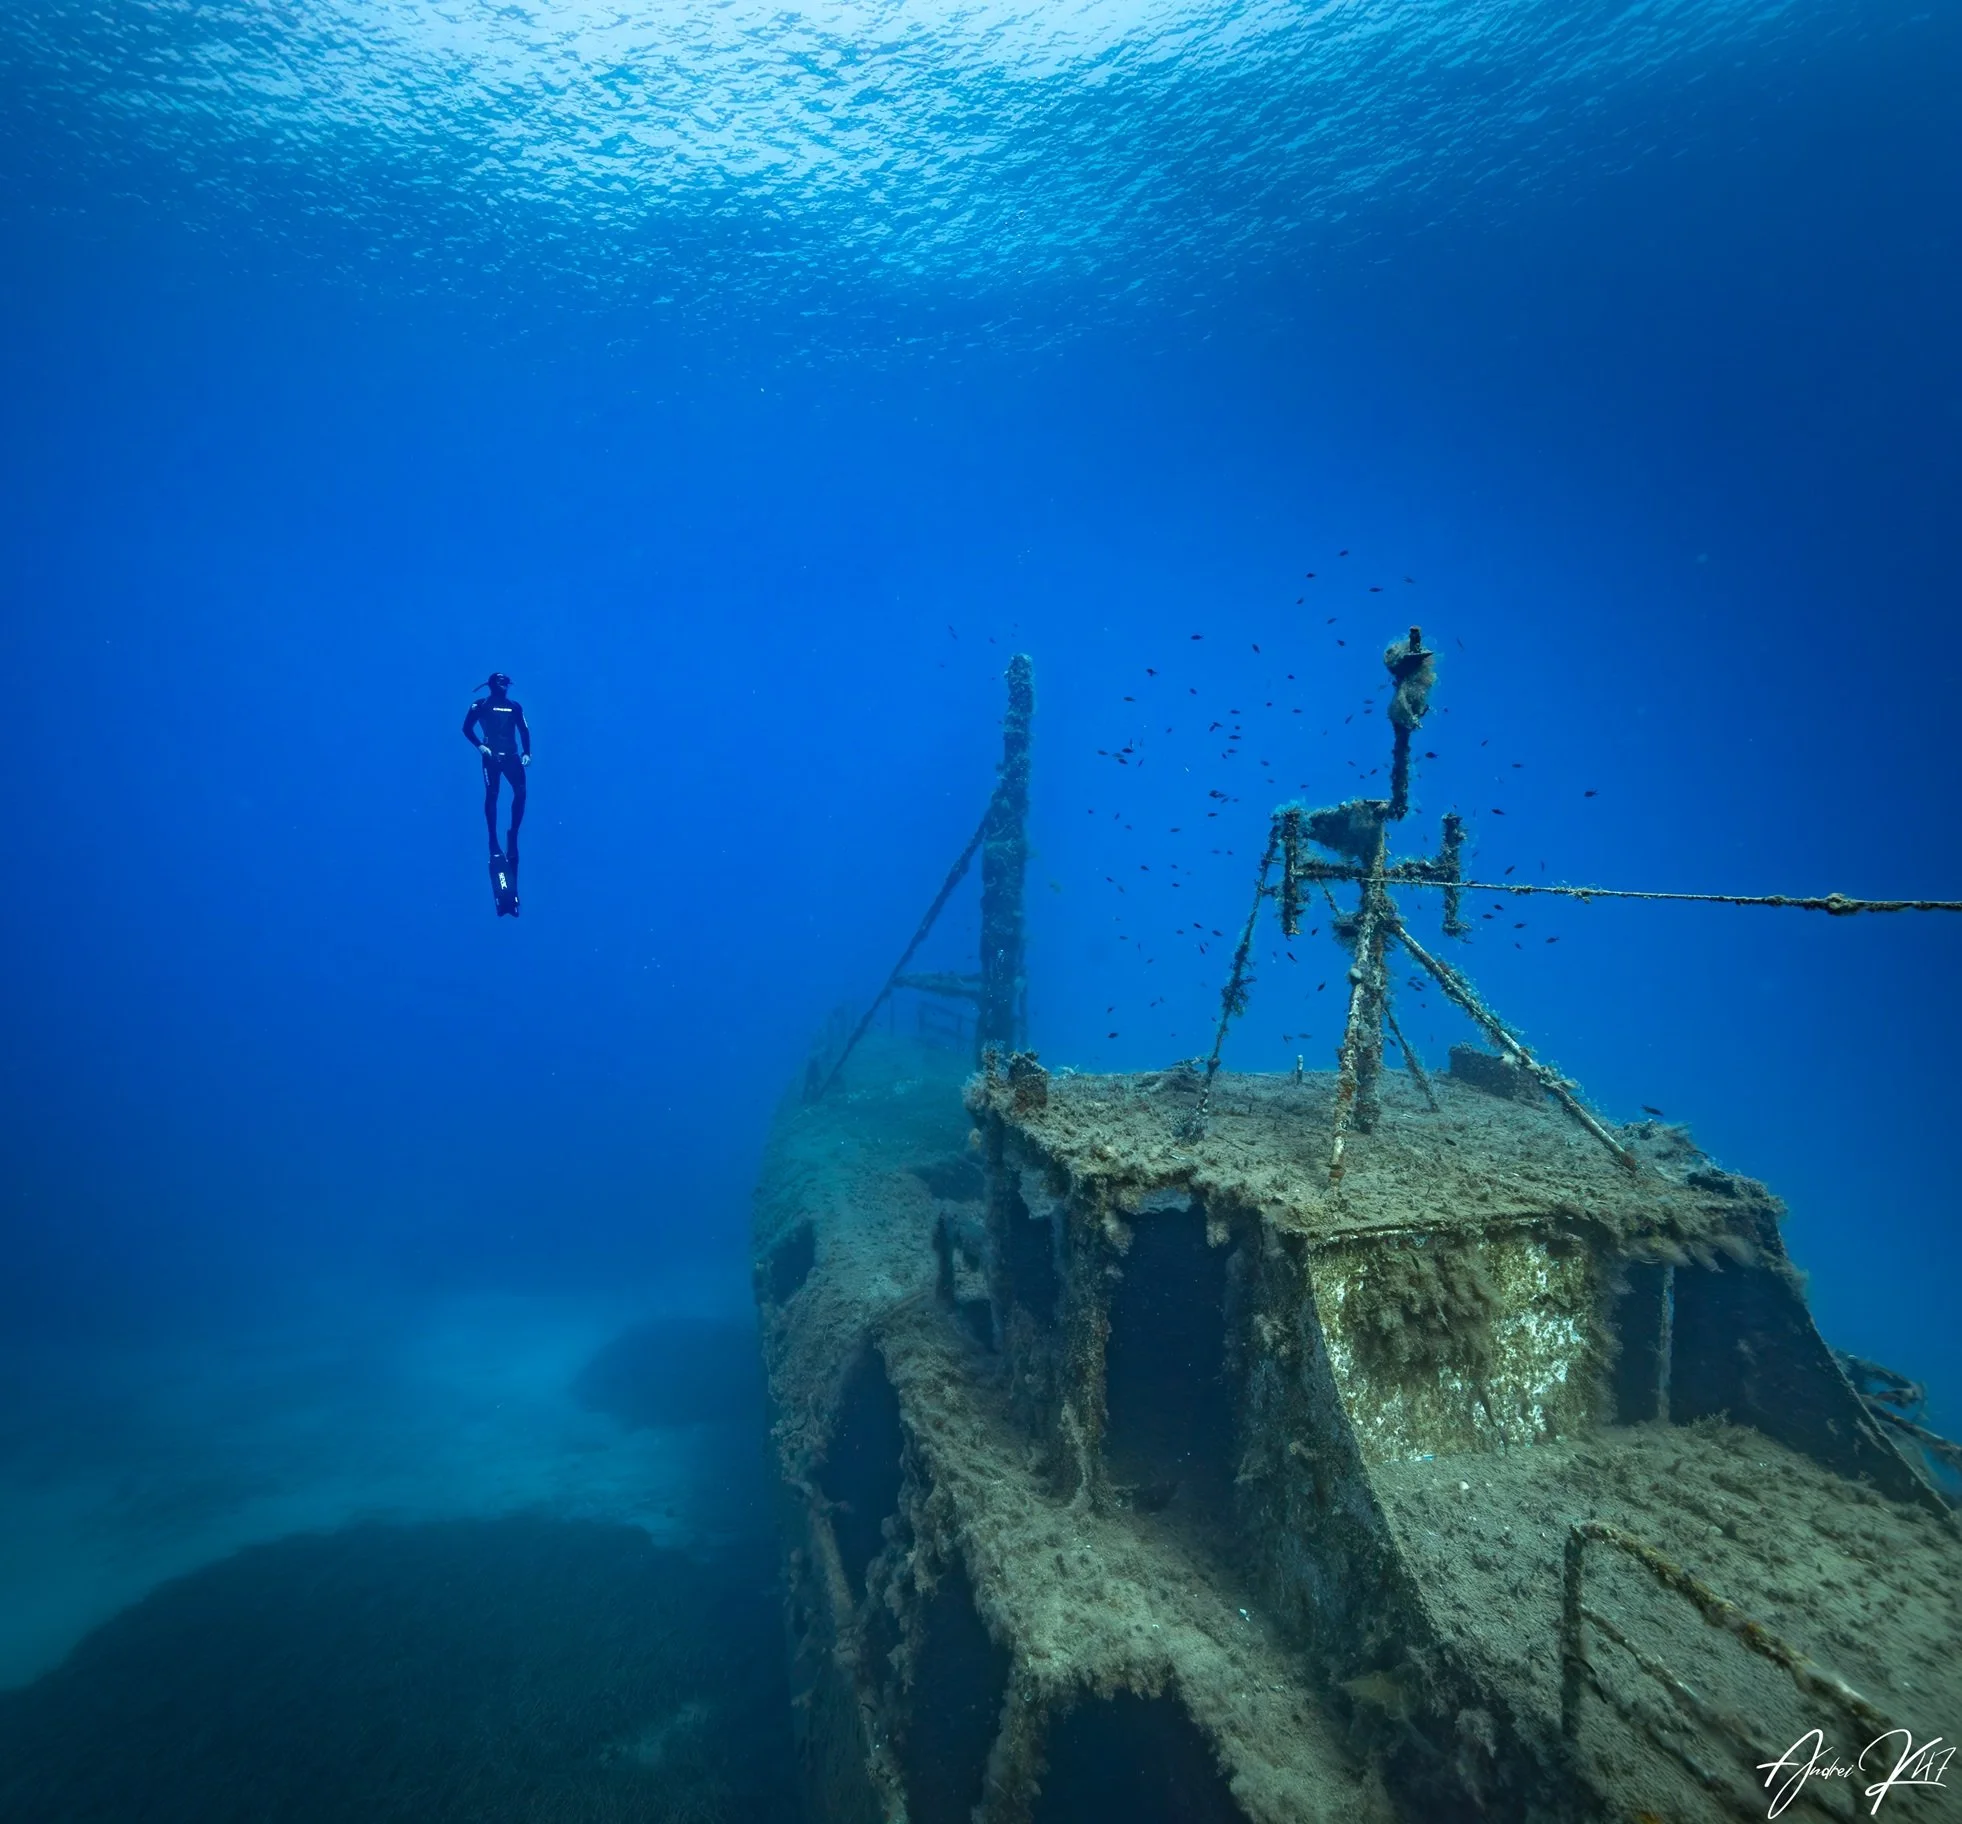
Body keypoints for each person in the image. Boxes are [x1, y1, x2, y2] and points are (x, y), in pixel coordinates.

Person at [462, 672, 531, 870]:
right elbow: (466, 728)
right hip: (491, 757)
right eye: (500, 682)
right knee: (492, 794)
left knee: (521, 793)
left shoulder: (515, 707)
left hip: (512, 757)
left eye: (506, 682)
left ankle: (513, 835)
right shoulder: (481, 704)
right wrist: (480, 746)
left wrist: (527, 752)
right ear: (491, 684)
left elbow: (524, 730)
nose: (504, 685)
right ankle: (493, 839)